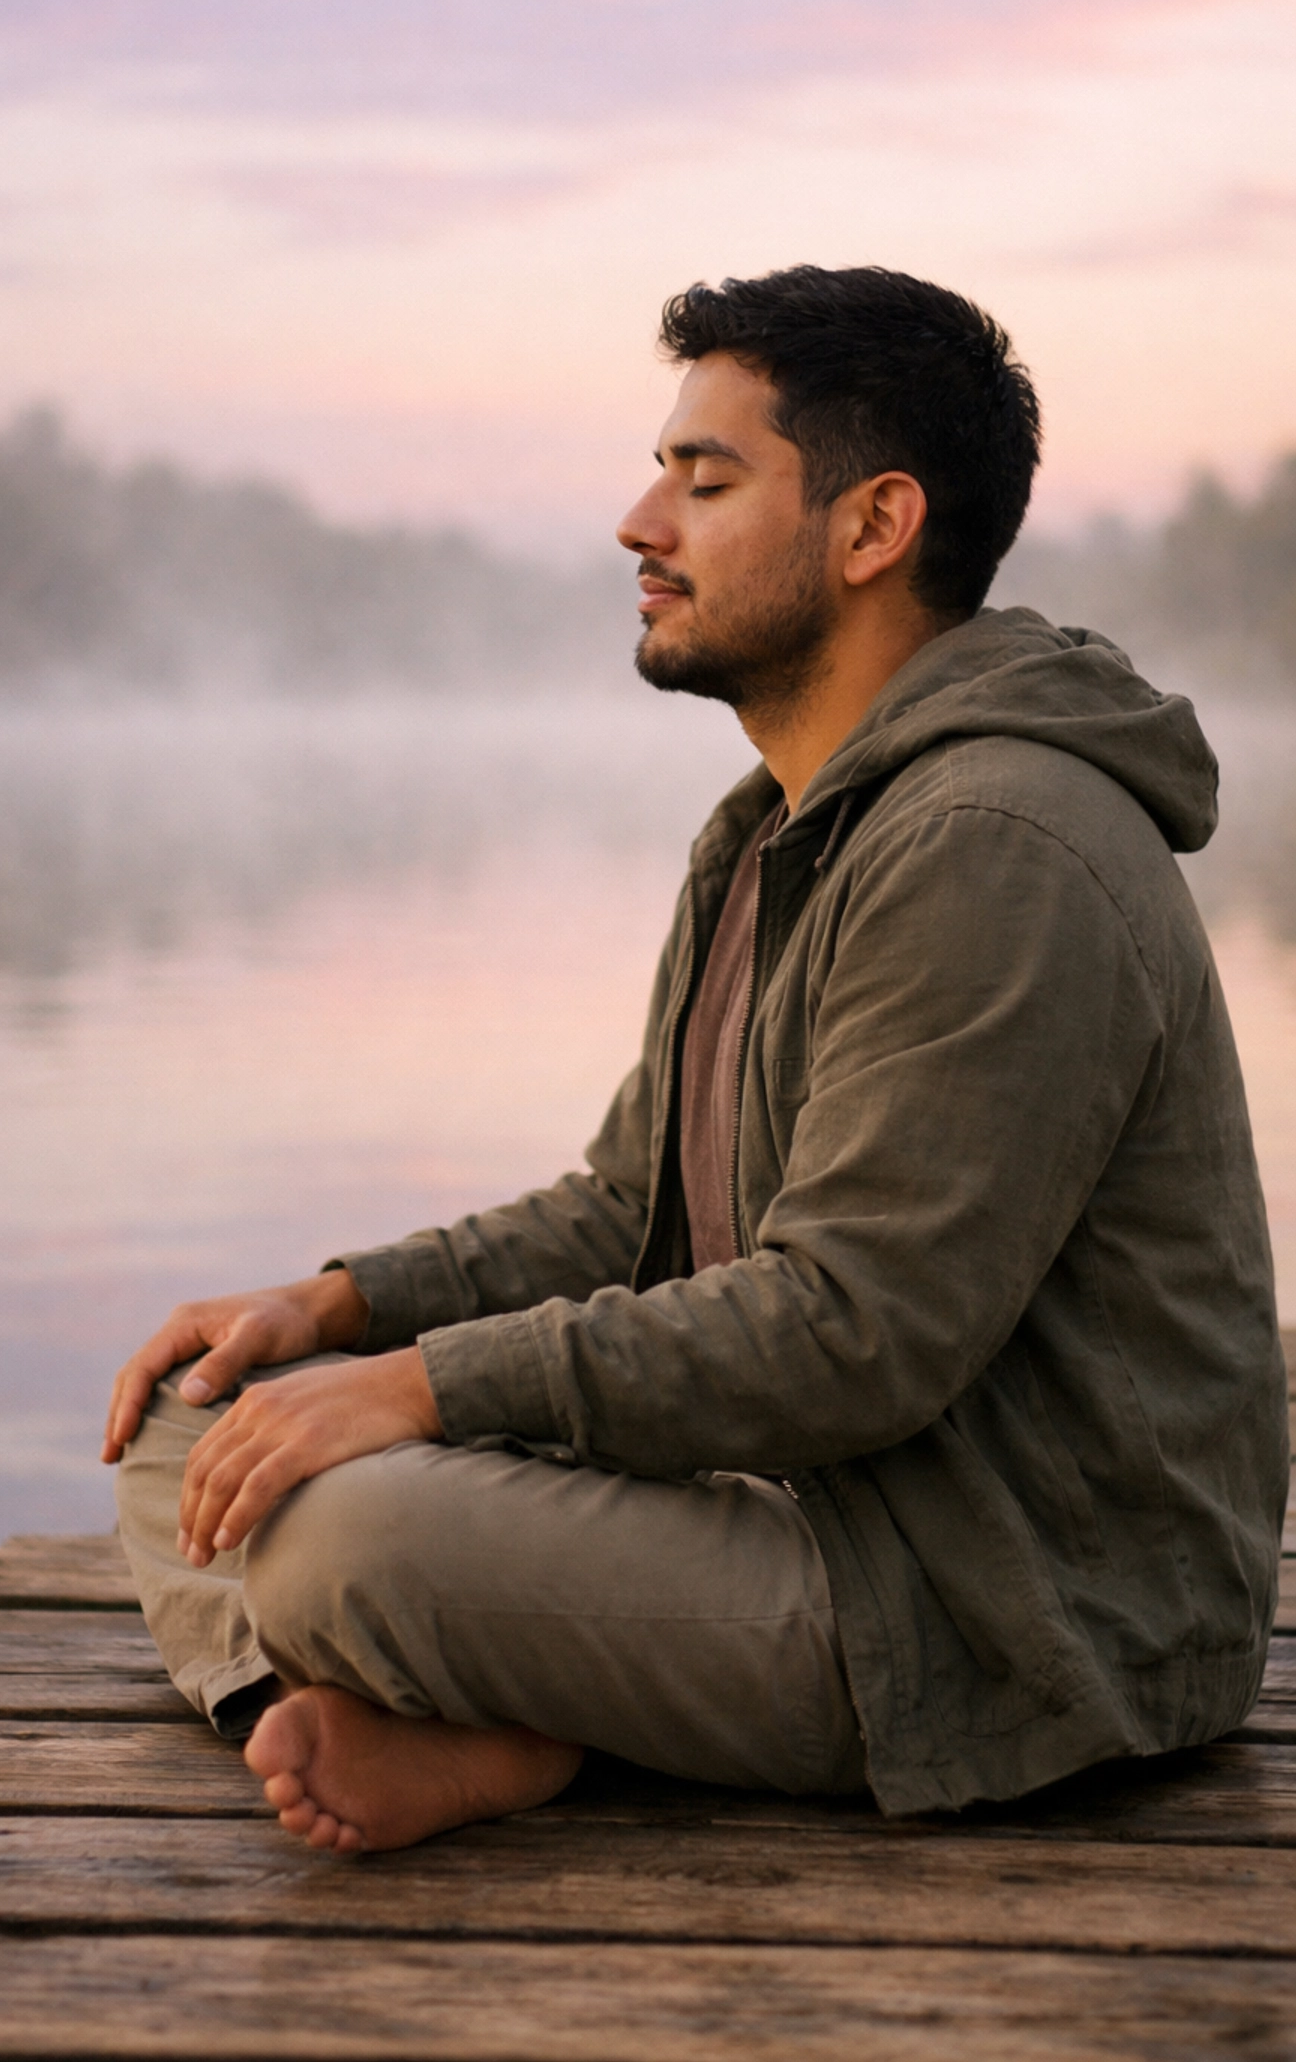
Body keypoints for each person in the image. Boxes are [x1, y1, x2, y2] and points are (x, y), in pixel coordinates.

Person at [103, 264, 1287, 1855]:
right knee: (201, 1415)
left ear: (873, 530)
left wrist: (418, 1390)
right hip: (807, 1510)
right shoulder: (768, 835)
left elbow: (856, 1331)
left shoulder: (1001, 841)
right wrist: (333, 1310)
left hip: (1008, 1611)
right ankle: (399, 1722)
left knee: (336, 1536)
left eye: (703, 479)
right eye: (661, 470)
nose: (638, 523)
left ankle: (494, 1712)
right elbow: (626, 1212)